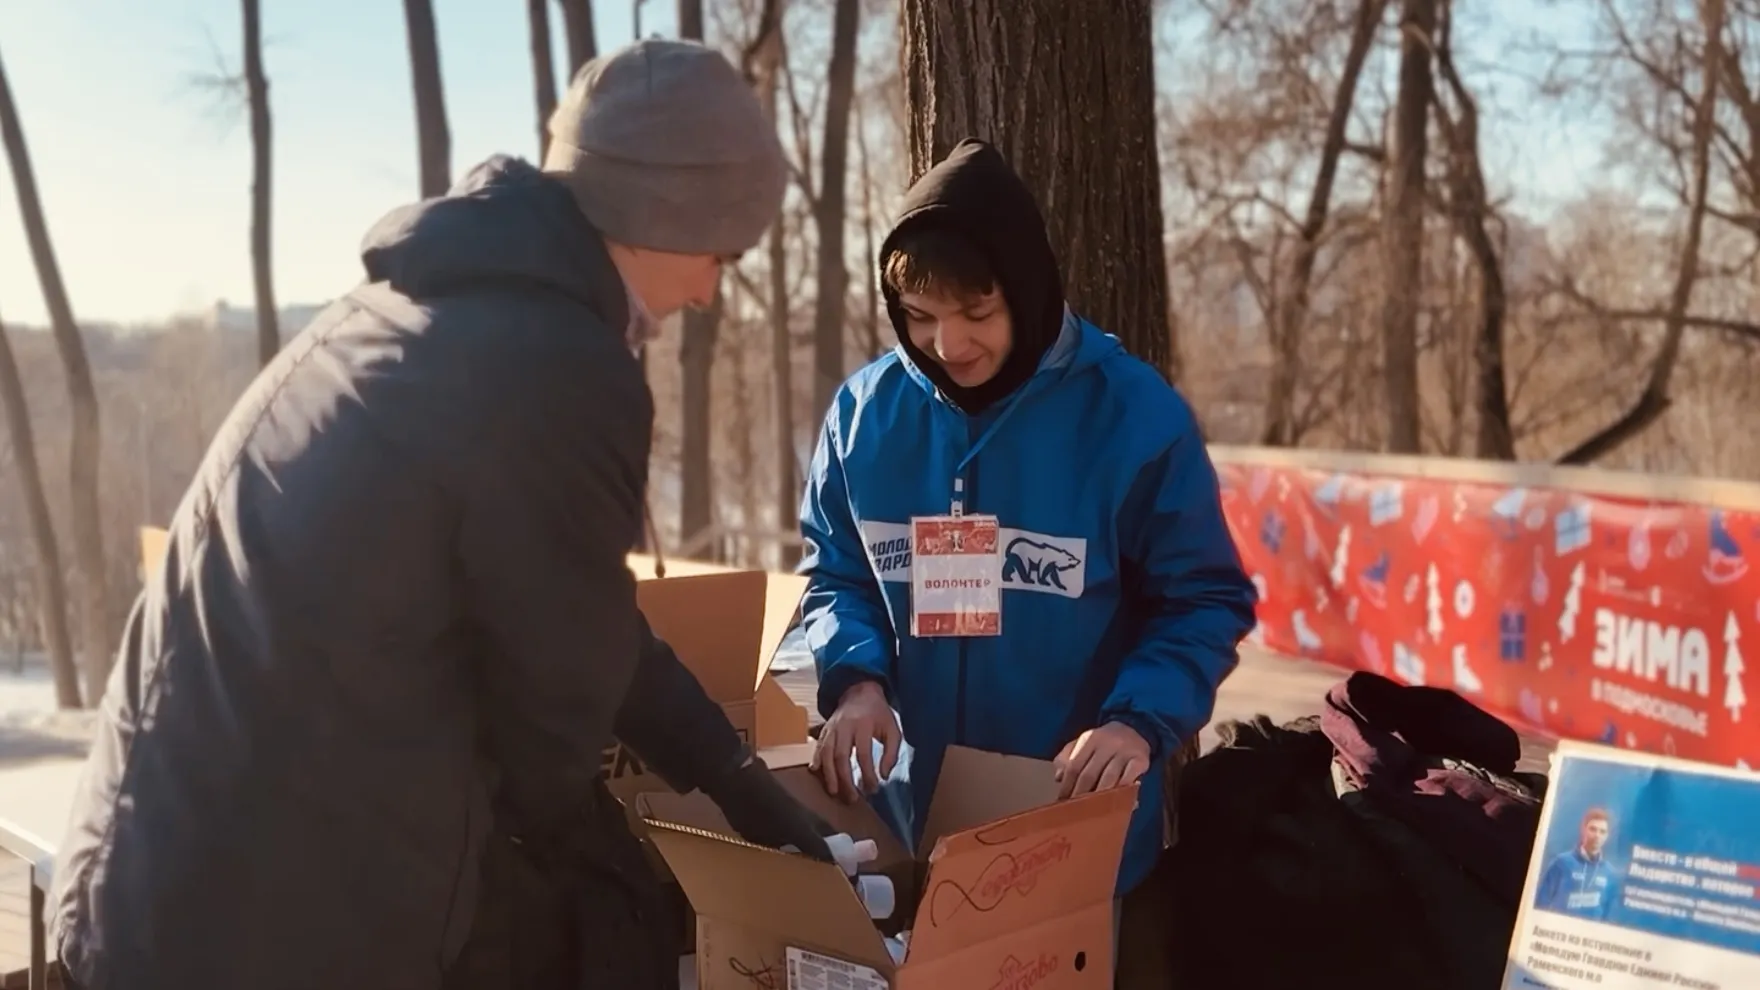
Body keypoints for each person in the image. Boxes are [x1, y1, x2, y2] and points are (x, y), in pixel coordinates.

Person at [50, 39, 832, 990]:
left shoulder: (412, 313)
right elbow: (554, 719)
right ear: (658, 213)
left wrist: (731, 772)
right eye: (718, 251)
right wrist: (645, 888)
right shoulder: (558, 367)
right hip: (263, 919)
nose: (712, 289)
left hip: (149, 869)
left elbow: (579, 613)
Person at [800, 138, 1257, 983]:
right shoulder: (864, 417)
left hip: (1073, 825)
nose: (949, 343)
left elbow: (1202, 599)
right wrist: (856, 681)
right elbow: (838, 571)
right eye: (920, 316)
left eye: (977, 313)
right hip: (915, 816)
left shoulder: (1131, 415)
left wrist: (1138, 720)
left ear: (1031, 289)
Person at [1535, 808, 1619, 920]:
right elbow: (1541, 903)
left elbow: (1608, 915)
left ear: (1607, 836)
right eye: (1593, 829)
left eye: (1602, 831)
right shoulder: (1562, 863)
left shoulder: (1610, 873)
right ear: (1583, 829)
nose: (1597, 835)